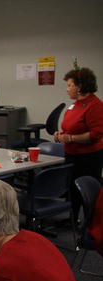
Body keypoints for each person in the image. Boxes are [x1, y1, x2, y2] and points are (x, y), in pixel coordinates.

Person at [54, 66, 103, 223]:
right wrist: (61, 135)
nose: (67, 90)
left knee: (86, 192)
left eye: (70, 85)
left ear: (80, 86)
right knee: (72, 189)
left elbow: (96, 134)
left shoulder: (94, 105)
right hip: (72, 154)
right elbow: (69, 128)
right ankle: (73, 219)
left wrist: (71, 138)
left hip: (88, 157)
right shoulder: (75, 105)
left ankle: (91, 226)